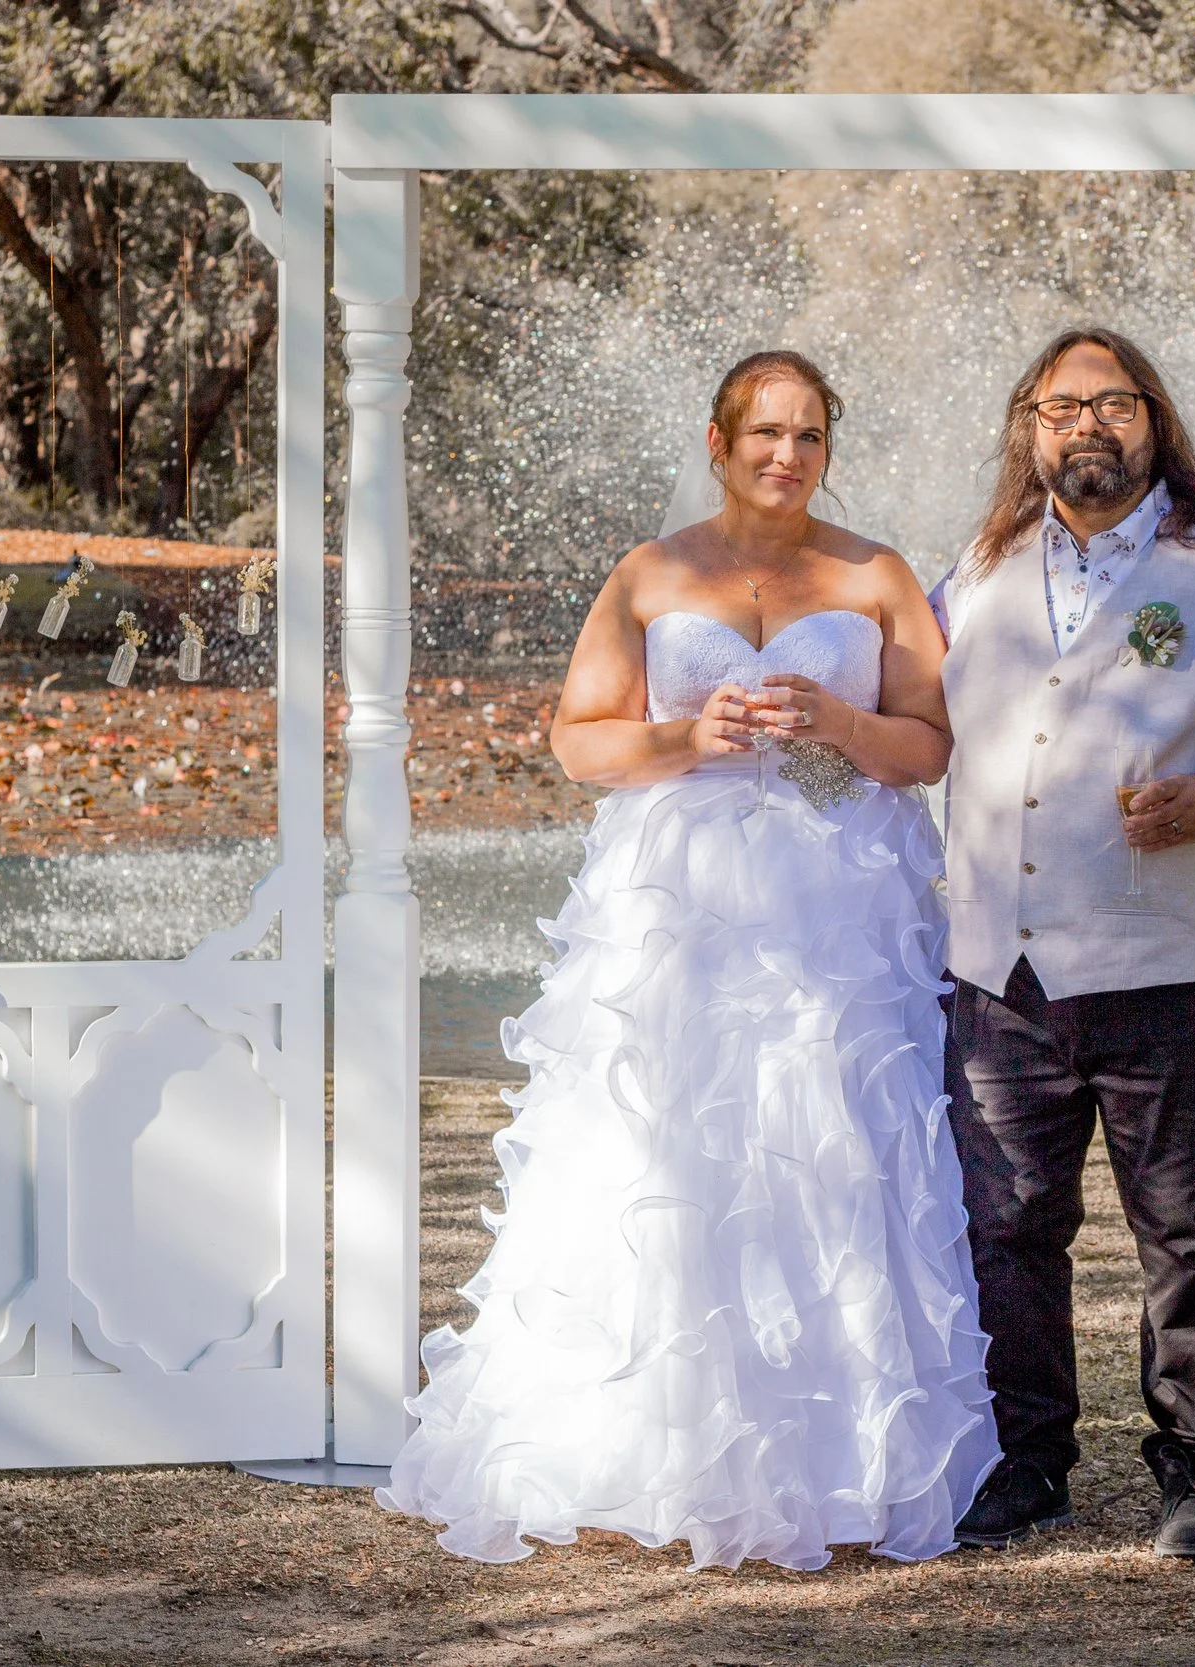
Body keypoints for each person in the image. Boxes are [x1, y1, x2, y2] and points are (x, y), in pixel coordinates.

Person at [377, 350, 1000, 1572]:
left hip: (840, 917)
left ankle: (841, 1461)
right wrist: (686, 732)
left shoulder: (875, 574)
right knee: (665, 1147)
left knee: (827, 1147)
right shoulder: (651, 572)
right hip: (678, 910)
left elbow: (929, 747)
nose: (787, 453)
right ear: (717, 442)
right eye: (764, 431)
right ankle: (643, 1447)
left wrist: (839, 722)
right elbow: (576, 741)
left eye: (810, 434)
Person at [935, 328, 1195, 1559]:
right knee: (1006, 1224)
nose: (1086, 426)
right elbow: (901, 697)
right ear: (1029, 431)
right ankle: (1026, 1462)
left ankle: (1191, 1467)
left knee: (1180, 1226)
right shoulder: (974, 567)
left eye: (1112, 403)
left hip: (1162, 966)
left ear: (1153, 424)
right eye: (1060, 407)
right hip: (996, 971)